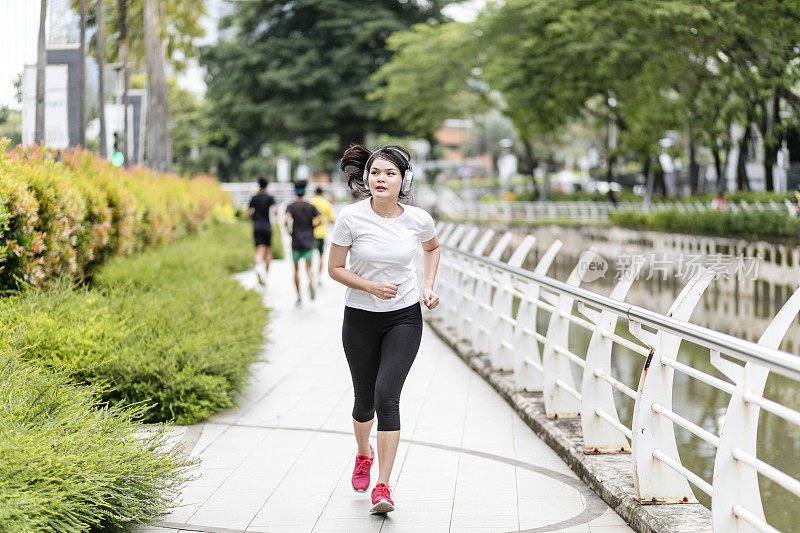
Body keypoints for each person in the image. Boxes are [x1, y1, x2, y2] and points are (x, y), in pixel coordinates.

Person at [328, 144, 440, 514]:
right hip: (360, 317)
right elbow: (335, 268)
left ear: (403, 180)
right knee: (364, 400)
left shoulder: (419, 219)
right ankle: (364, 455)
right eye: (376, 172)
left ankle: (383, 486)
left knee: (386, 396)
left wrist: (428, 285)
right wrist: (370, 286)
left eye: (390, 173)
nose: (381, 179)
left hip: (403, 317)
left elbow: (432, 248)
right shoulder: (351, 218)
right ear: (366, 177)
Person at [285, 180, 321, 306]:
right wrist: (312, 227)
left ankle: (299, 297)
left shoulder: (291, 206)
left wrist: (288, 230)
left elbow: (286, 219)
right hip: (309, 240)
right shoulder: (310, 206)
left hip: (296, 241)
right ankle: (311, 280)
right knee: (308, 268)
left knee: (295, 270)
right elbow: (320, 220)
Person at [247, 176, 277, 286]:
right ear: (267, 185)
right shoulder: (270, 197)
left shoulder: (254, 198)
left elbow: (249, 212)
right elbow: (275, 209)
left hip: (257, 227)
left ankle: (258, 267)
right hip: (267, 227)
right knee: (268, 253)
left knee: (259, 252)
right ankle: (265, 275)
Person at [309, 186, 336, 285]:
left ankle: (310, 276)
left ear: (315, 193)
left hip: (310, 233)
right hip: (321, 233)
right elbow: (333, 219)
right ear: (322, 193)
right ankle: (319, 277)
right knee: (321, 256)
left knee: (310, 257)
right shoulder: (326, 203)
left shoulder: (310, 202)